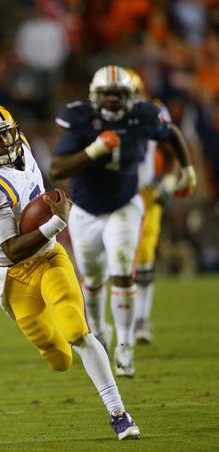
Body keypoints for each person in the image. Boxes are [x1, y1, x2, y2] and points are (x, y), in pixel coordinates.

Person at [0, 102, 140, 440]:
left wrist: (54, 211)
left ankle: (118, 413)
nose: (6, 143)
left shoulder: (24, 147)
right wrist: (57, 221)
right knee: (59, 357)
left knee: (78, 332)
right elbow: (12, 249)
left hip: (48, 257)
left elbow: (39, 197)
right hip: (14, 272)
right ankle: (60, 349)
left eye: (6, 134)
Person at [50, 65, 196, 377]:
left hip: (124, 204)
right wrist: (94, 149)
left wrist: (187, 168)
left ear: (130, 96)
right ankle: (101, 331)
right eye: (107, 95)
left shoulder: (143, 115)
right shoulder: (80, 119)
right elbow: (57, 169)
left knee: (122, 271)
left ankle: (126, 344)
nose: (113, 101)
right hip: (86, 209)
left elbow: (171, 135)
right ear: (94, 96)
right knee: (92, 279)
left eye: (119, 95)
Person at [127, 69, 179, 344]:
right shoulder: (102, 116)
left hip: (145, 191)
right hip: (113, 195)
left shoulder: (154, 112)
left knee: (145, 252)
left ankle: (141, 319)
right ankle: (100, 324)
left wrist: (168, 183)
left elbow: (170, 150)